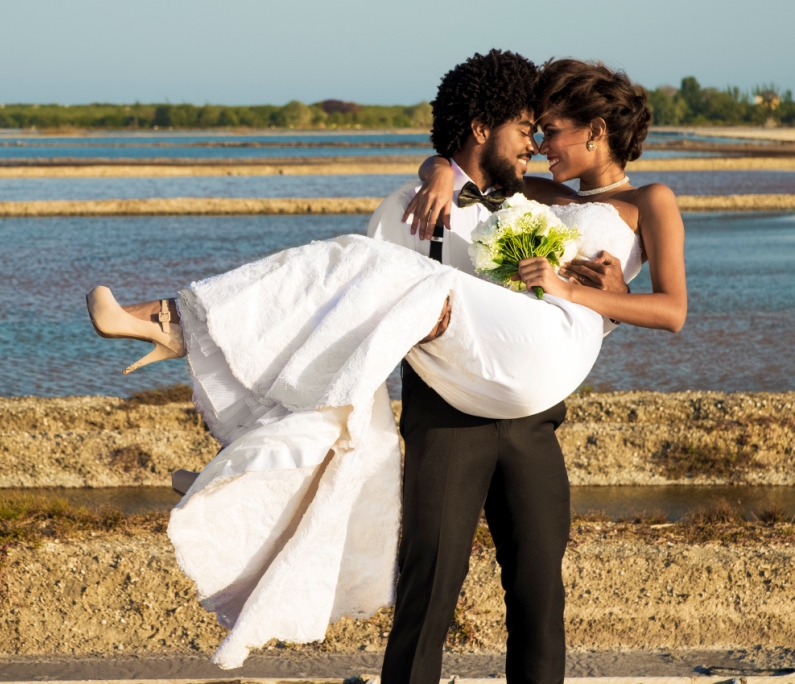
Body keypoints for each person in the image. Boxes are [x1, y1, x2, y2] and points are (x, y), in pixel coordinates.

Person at [84, 52, 686, 678]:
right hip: (457, 398)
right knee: (426, 588)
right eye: (532, 130)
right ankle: (251, 446)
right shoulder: (534, 189)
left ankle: (179, 325)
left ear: (596, 130)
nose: (539, 141)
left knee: (538, 590)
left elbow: (670, 311)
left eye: (551, 129)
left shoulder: (650, 200)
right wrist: (437, 173)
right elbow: (464, 165)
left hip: (534, 401)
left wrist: (597, 296)